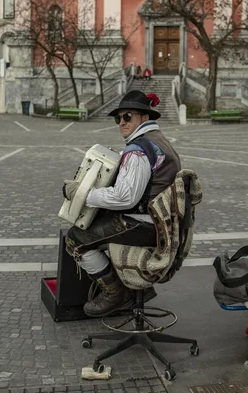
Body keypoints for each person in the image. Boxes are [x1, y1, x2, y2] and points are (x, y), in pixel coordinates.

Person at [61, 90, 181, 317]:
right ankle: (136, 290)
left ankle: (117, 294)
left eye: (128, 117)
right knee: (98, 227)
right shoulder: (161, 142)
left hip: (144, 225)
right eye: (118, 118)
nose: (122, 123)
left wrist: (82, 194)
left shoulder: (138, 150)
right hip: (162, 225)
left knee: (75, 239)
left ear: (144, 117)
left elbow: (125, 198)